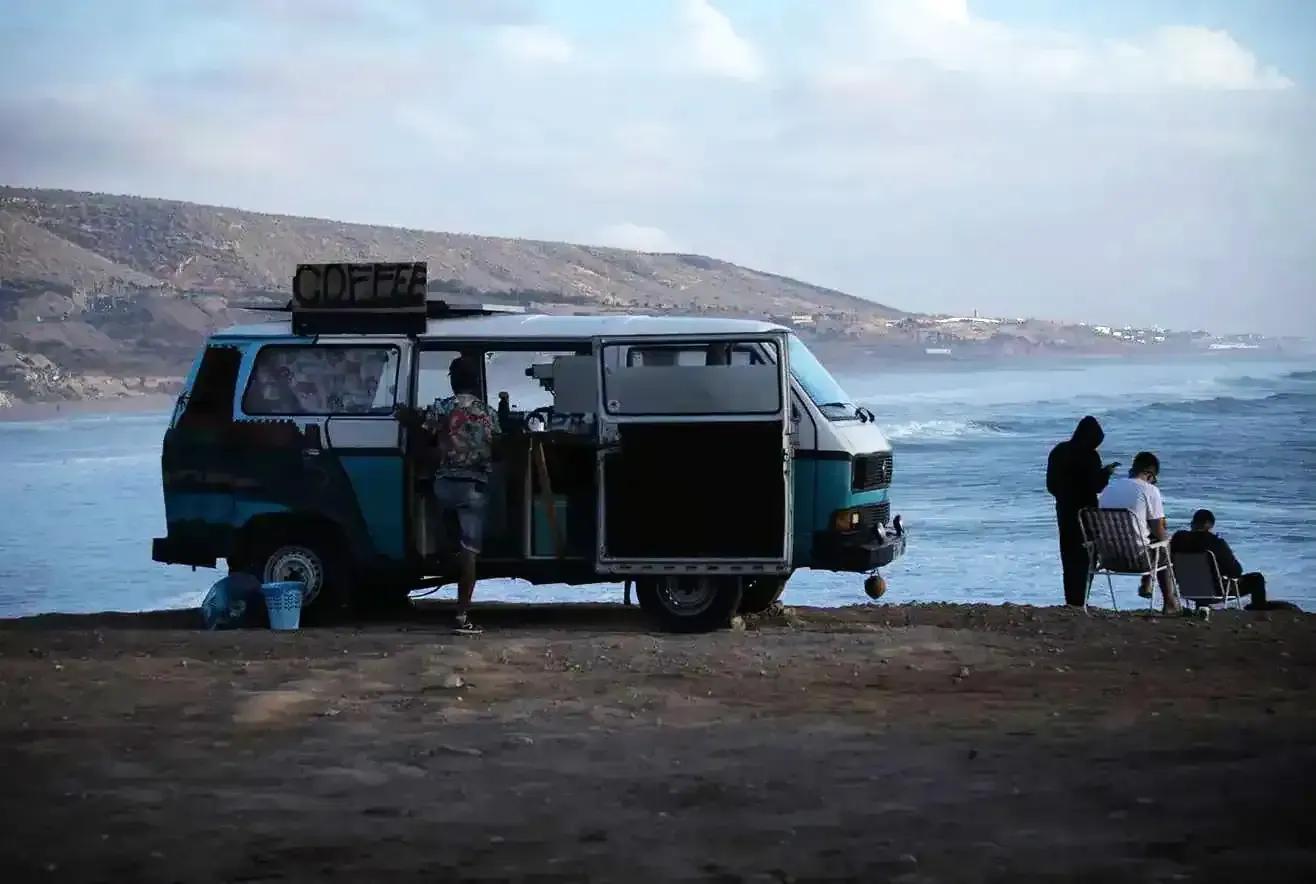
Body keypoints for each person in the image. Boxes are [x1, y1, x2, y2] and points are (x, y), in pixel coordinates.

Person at [398, 354, 500, 635]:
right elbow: (499, 446)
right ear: (476, 382)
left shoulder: (441, 408)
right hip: (474, 488)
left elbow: (422, 436)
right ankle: (462, 615)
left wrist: (410, 421)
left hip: (443, 486)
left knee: (446, 532)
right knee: (470, 552)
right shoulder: (488, 413)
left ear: (453, 382)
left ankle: (446, 553)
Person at [1098, 451, 1180, 613]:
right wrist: (1168, 538)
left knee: (1153, 540)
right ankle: (1169, 601)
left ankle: (1147, 583)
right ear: (1149, 474)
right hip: (1138, 561)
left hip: (1108, 559)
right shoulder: (1149, 490)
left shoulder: (1108, 489)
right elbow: (1160, 532)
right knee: (1164, 544)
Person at [1047, 416, 1116, 606]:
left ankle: (1071, 599)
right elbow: (1096, 486)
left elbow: (1051, 485)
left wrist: (1064, 496)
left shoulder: (1058, 451)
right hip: (1087, 514)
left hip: (1064, 511)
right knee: (1088, 556)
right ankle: (1082, 598)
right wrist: (1106, 473)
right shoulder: (1090, 456)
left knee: (1068, 556)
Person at [1171, 509, 1276, 610]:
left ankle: (1202, 607)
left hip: (1187, 590)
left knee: (1203, 578)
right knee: (1257, 579)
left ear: (1193, 523)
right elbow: (1236, 571)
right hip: (1215, 591)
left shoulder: (1178, 539)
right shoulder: (1216, 543)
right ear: (1209, 524)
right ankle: (1258, 609)